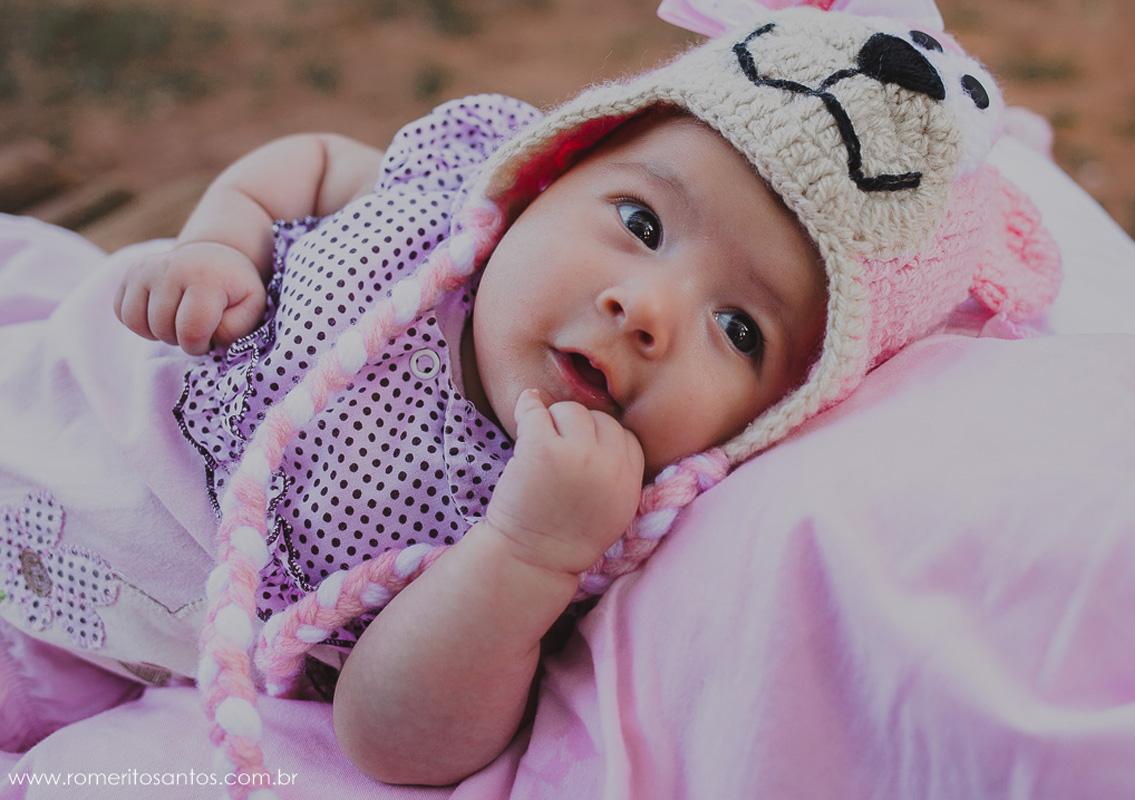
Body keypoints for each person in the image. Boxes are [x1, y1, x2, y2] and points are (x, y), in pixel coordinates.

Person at [0, 3, 1061, 794]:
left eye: (740, 329)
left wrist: (525, 556)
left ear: (768, 422)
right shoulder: (443, 208)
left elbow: (392, 737)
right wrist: (217, 241)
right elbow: (310, 163)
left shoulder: (585, 520)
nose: (645, 307)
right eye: (642, 223)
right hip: (73, 403)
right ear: (552, 171)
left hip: (95, 638)